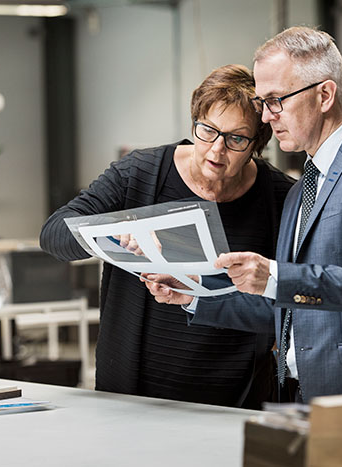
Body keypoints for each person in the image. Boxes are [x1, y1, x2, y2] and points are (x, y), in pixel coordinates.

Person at [146, 27, 342, 403]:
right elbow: (287, 307)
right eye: (263, 102)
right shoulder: (299, 190)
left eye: (276, 100)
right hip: (296, 395)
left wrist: (276, 275)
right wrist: (194, 293)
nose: (265, 117)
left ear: (325, 94)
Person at [40, 64, 295, 408]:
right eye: (207, 130)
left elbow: (289, 308)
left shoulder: (280, 197)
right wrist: (113, 232)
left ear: (257, 144)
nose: (217, 150)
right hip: (132, 395)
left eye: (236, 138)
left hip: (236, 398)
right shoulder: (140, 174)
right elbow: (54, 233)